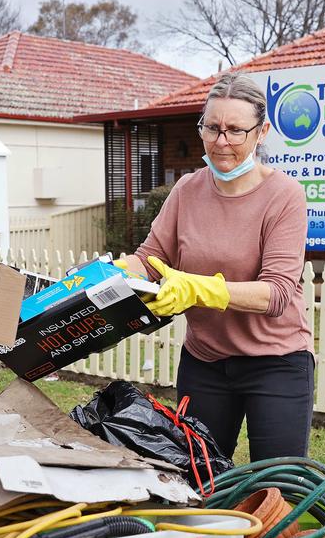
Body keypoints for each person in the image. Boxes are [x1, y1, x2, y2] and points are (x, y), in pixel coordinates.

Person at [120, 72, 312, 462]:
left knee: (274, 486)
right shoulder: (188, 190)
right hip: (205, 361)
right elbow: (150, 259)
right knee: (199, 476)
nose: (222, 142)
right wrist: (104, 275)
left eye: (236, 131)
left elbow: (276, 294)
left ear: (262, 132)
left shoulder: (285, 196)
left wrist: (197, 288)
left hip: (275, 363)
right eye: (212, 128)